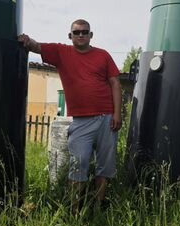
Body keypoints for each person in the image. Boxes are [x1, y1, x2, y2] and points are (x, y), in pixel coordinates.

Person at [19, 19, 122, 213]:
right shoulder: (61, 52)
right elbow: (37, 46)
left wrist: (118, 113)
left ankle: (98, 207)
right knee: (79, 162)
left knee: (105, 166)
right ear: (70, 36)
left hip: (107, 118)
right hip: (81, 121)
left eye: (85, 32)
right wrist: (26, 40)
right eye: (77, 32)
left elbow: (115, 83)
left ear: (91, 35)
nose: (81, 35)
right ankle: (75, 210)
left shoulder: (103, 55)